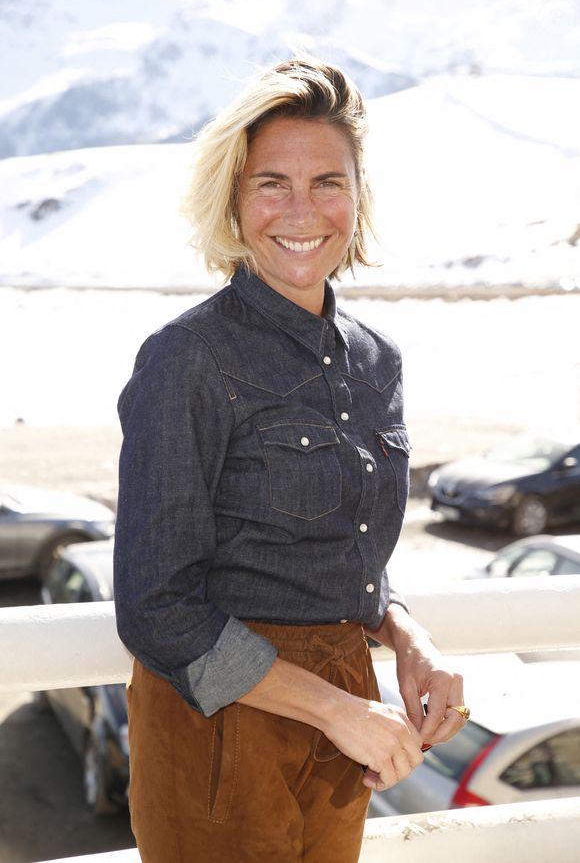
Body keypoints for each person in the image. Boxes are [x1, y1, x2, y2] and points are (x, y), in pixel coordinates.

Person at [113, 55, 468, 863]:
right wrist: (338, 710)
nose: (301, 210)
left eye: (328, 183)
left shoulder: (379, 360)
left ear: (358, 197)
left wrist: (409, 638)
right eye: (272, 182)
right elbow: (156, 606)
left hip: (347, 725)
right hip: (218, 737)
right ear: (234, 202)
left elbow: (348, 554)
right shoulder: (186, 359)